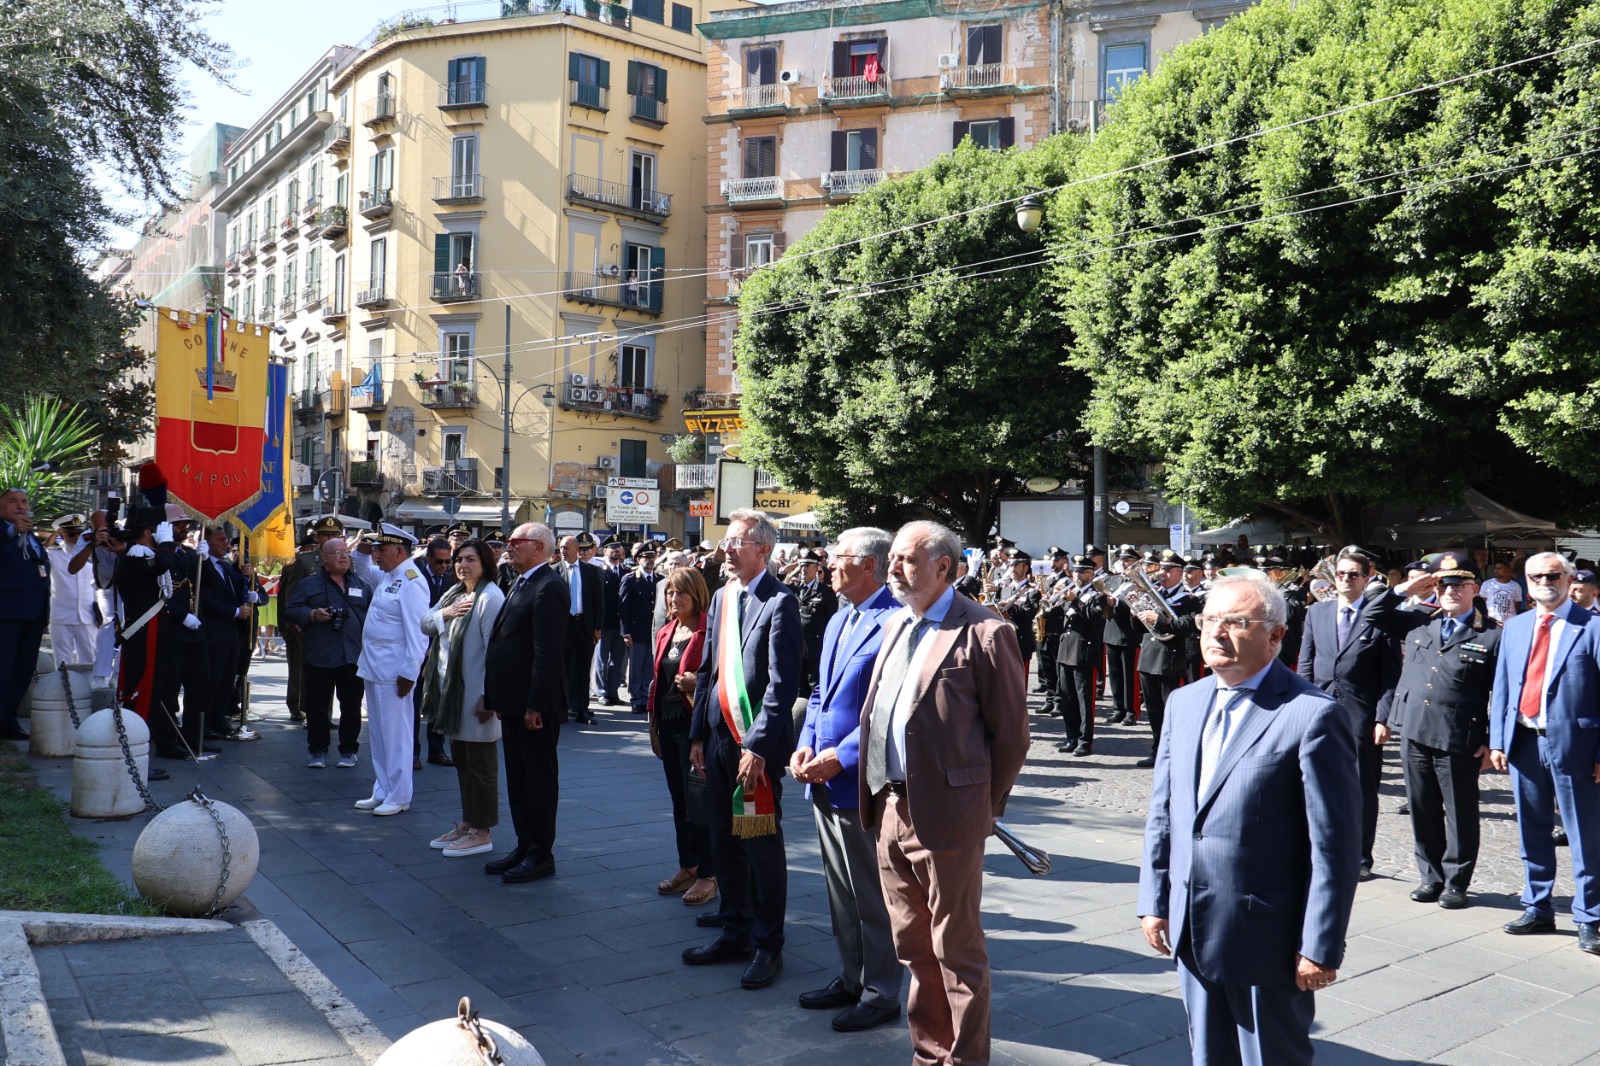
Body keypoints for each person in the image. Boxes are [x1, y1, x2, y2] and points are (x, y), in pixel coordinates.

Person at [1138, 572, 1362, 1066]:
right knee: (1208, 1055)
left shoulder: (1312, 714)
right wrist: (1154, 900)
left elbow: (1334, 845)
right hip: (1190, 925)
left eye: (1236, 622)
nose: (1216, 633)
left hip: (1268, 938)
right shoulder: (1184, 702)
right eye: (1209, 620)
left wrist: (1320, 943)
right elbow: (1166, 813)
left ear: (1276, 635)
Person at [858, 520, 1029, 1066]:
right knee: (913, 949)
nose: (894, 568)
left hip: (950, 818)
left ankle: (965, 1059)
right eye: (893, 558)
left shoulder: (985, 631)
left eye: (907, 559)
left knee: (957, 953)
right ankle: (930, 1055)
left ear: (945, 568)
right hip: (889, 806)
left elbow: (1012, 737)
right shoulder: (895, 626)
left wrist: (981, 804)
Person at [790, 527, 903, 1034]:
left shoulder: (895, 623)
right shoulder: (839, 619)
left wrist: (843, 755)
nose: (830, 564)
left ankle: (882, 990)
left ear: (871, 567)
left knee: (870, 892)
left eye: (841, 557)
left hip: (862, 780)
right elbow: (820, 692)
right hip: (822, 774)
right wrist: (808, 741)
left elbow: (892, 709)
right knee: (840, 889)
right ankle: (851, 975)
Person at [683, 508, 803, 991]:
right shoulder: (723, 599)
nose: (725, 549)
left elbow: (782, 684)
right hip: (715, 739)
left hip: (754, 745)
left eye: (736, 542)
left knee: (760, 845)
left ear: (764, 550)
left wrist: (756, 745)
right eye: (725, 541)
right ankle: (734, 930)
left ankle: (768, 944)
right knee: (723, 842)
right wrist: (696, 733)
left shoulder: (781, 602)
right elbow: (710, 670)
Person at [1365, 554, 1500, 908]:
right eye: (1443, 585)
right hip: (1413, 728)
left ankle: (1456, 882)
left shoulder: (1491, 634)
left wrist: (1493, 741)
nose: (1450, 591)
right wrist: (1405, 589)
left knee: (1460, 812)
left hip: (1458, 736)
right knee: (1421, 807)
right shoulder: (1419, 622)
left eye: (1458, 585)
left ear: (1474, 588)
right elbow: (1372, 614)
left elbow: (1501, 695)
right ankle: (1431, 877)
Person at [1488, 552, 1600, 954]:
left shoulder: (1592, 628)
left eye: (1552, 575)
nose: (1543, 582)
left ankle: (1590, 916)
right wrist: (1498, 740)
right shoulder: (1516, 627)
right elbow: (1502, 686)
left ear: (1569, 579)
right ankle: (1537, 906)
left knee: (1585, 833)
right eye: (1535, 576)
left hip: (1578, 745)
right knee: (1532, 828)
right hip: (1524, 740)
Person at [1297, 545, 1402, 881]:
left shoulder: (1377, 615)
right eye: (1340, 574)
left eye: (1352, 575)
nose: (1344, 580)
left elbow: (1390, 675)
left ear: (1366, 577)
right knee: (1315, 784)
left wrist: (1383, 718)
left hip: (1362, 717)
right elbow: (1307, 665)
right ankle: (1319, 848)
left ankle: (1360, 856)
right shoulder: (1317, 613)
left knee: (1361, 790)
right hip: (1319, 712)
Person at [483, 522, 568, 883]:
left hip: (535, 705)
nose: (509, 546)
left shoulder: (549, 586)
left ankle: (540, 854)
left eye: (516, 541)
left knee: (537, 779)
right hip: (514, 701)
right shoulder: (522, 581)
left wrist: (535, 703)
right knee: (518, 778)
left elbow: (546, 653)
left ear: (538, 548)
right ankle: (524, 843)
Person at [422, 539, 506, 858]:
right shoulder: (457, 593)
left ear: (485, 563)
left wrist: (490, 695)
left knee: (481, 765)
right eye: (459, 559)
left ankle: (482, 832)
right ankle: (470, 823)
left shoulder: (490, 597)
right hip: (452, 695)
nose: (462, 565)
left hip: (475, 694)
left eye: (471, 559)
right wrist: (447, 612)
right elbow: (425, 623)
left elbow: (494, 652)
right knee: (464, 763)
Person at [350, 526, 431, 816]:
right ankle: (382, 789)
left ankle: (399, 794)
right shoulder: (389, 576)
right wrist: (365, 542)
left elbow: (419, 632)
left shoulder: (411, 581)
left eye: (381, 550)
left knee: (396, 735)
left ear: (399, 551)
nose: (376, 555)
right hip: (374, 666)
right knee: (379, 734)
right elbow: (359, 566)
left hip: (395, 671)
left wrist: (410, 672)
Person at [648, 565, 715, 906]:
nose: (674, 598)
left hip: (696, 730)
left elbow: (721, 681)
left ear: (697, 594)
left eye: (682, 592)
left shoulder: (709, 631)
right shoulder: (666, 631)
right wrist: (653, 726)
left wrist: (697, 683)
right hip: (669, 725)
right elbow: (657, 683)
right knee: (679, 803)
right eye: (670, 593)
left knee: (699, 805)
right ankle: (687, 865)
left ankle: (708, 873)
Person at [284, 537, 372, 769]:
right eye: (336, 553)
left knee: (351, 705)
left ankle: (349, 750)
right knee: (317, 706)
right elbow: (290, 611)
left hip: (352, 655)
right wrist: (312, 615)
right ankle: (318, 750)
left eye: (345, 552)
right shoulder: (309, 584)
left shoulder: (361, 585)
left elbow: (373, 615)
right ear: (324, 558)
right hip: (320, 655)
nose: (343, 556)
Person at [1134, 551, 1200, 768]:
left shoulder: (1189, 600)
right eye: (1161, 568)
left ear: (1180, 573)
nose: (1162, 573)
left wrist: (1159, 619)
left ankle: (1175, 751)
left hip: (1170, 660)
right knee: (1153, 710)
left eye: (1168, 569)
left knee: (1170, 710)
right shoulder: (1153, 593)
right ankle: (1157, 749)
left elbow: (1185, 627)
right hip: (1148, 658)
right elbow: (1138, 629)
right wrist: (1137, 612)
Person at [198, 526, 261, 743]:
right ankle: (204, 723)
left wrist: (249, 579)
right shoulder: (202, 565)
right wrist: (234, 611)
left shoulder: (225, 566)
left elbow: (239, 589)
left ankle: (219, 718)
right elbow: (205, 598)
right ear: (206, 541)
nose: (226, 543)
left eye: (226, 539)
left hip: (233, 632)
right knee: (212, 679)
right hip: (214, 630)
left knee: (227, 678)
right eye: (220, 539)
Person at [281, 517, 343, 721]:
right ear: (317, 536)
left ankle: (325, 714)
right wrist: (296, 622)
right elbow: (291, 596)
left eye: (334, 534)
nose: (330, 538)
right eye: (326, 534)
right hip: (308, 624)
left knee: (331, 671)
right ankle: (301, 707)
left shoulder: (345, 561)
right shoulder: (304, 561)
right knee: (302, 669)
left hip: (333, 627)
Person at [1, 488, 49, 740]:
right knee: (3, 668)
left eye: (24, 501)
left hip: (32, 615)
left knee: (22, 670)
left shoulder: (31, 535)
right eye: (12, 501)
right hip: (6, 614)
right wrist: (11, 531)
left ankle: (8, 719)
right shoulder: (7, 532)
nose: (20, 506)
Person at [1055, 554, 1106, 757]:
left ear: (1091, 573)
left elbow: (1095, 620)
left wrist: (1076, 602)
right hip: (1065, 649)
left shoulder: (1096, 595)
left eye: (1083, 571)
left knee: (1084, 699)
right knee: (1067, 697)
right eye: (1075, 571)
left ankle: (1085, 741)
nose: (1078, 574)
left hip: (1084, 651)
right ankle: (1071, 737)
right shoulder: (1069, 592)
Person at [414, 537, 456, 769]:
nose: (443, 566)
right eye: (439, 562)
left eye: (447, 562)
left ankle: (437, 750)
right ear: (428, 558)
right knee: (414, 701)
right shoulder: (415, 576)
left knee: (438, 700)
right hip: (418, 644)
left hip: (441, 647)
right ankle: (413, 752)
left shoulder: (451, 578)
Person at [556, 534, 602, 725]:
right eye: (561, 548)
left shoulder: (591, 571)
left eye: (566, 548)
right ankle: (561, 709)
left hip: (584, 625)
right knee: (562, 669)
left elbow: (598, 601)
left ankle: (582, 709)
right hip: (563, 627)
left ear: (577, 549)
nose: (563, 551)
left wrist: (597, 627)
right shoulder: (554, 571)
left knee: (583, 670)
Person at [46, 514, 97, 666]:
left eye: (79, 534)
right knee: (62, 662)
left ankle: (90, 690)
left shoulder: (91, 554)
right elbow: (35, 557)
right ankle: (64, 690)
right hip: (61, 616)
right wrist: (51, 538)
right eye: (71, 534)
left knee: (90, 660)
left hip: (87, 615)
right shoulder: (53, 554)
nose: (76, 538)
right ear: (62, 535)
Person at [620, 544, 661, 716]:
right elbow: (623, 608)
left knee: (649, 668)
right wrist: (625, 631)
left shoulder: (660, 579)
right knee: (636, 668)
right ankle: (636, 699)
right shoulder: (630, 579)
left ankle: (646, 698)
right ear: (638, 559)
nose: (650, 560)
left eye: (652, 557)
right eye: (646, 557)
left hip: (654, 631)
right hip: (636, 631)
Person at [1102, 546, 1141, 727]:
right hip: (1111, 632)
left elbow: (1137, 604)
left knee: (1130, 677)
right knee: (1116, 675)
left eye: (1128, 560)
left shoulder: (1139, 582)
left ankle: (1131, 711)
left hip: (1129, 634)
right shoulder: (1114, 580)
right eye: (1122, 560)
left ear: (1136, 562)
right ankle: (1118, 709)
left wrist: (1116, 602)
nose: (1124, 563)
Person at [795, 547, 839, 695]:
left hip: (815, 650)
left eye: (807, 566)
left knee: (816, 688)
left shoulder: (825, 592)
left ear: (817, 568)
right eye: (801, 565)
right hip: (796, 649)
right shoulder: (794, 590)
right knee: (798, 689)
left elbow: (832, 622)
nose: (803, 569)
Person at [593, 538, 626, 705]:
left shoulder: (626, 571)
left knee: (617, 660)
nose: (616, 550)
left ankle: (613, 692)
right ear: (604, 551)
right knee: (602, 659)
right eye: (612, 547)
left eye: (618, 547)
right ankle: (601, 692)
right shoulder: (598, 570)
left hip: (620, 623)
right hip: (604, 622)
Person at [1478, 558, 1526, 625]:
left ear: (1507, 570)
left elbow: (1517, 605)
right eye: (1495, 568)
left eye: (1499, 569)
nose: (1496, 570)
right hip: (1491, 622)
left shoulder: (1516, 586)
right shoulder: (1487, 584)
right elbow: (1482, 602)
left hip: (1509, 623)